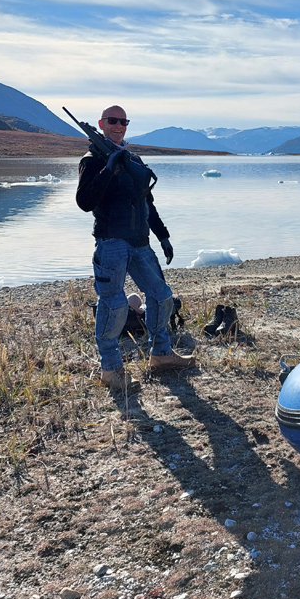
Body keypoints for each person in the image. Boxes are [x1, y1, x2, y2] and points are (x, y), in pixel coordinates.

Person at [76, 104, 191, 392]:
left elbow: (146, 203)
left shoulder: (133, 159)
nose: (119, 125)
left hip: (141, 243)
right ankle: (111, 370)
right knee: (113, 304)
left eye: (123, 121)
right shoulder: (91, 160)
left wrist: (162, 235)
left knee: (162, 297)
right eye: (113, 121)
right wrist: (108, 169)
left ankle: (161, 354)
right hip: (111, 242)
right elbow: (84, 202)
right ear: (102, 124)